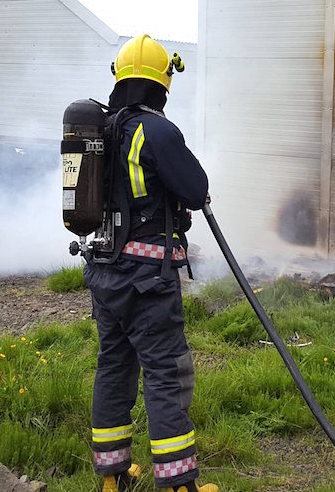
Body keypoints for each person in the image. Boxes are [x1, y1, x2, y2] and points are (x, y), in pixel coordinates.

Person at [83, 34, 217, 492]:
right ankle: (178, 484)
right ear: (163, 82)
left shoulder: (99, 130)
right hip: (147, 280)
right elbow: (196, 190)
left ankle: (112, 476)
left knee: (113, 366)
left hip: (104, 272)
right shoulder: (157, 131)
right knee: (165, 372)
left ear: (119, 77)